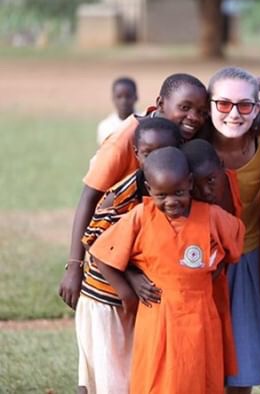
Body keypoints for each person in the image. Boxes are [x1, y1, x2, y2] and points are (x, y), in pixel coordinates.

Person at [91, 146, 245, 394]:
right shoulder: (141, 216)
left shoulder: (211, 216)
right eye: (162, 196)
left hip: (200, 316)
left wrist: (216, 263)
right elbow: (102, 253)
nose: (171, 202)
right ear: (150, 190)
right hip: (157, 316)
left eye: (179, 193)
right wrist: (129, 287)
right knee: (156, 380)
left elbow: (235, 239)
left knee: (198, 377)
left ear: (190, 184)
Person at [59, 73, 209, 312]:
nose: (194, 117)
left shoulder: (181, 133)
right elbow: (89, 197)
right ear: (160, 104)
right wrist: (74, 266)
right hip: (111, 251)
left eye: (202, 112)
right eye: (185, 107)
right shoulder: (124, 140)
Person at [77, 117, 182, 394]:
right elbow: (94, 242)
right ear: (136, 154)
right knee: (108, 377)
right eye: (148, 154)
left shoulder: (175, 188)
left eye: (163, 152)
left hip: (134, 301)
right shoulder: (123, 193)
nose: (155, 160)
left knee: (131, 374)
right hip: (106, 297)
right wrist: (129, 283)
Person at [207, 66, 260, 393]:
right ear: (209, 105)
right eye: (224, 104)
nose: (233, 114)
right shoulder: (194, 140)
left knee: (241, 364)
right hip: (203, 260)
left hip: (248, 256)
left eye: (245, 105)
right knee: (205, 358)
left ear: (258, 108)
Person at [181, 138, 243, 378]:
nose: (206, 191)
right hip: (194, 295)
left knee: (219, 356)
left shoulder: (230, 185)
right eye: (196, 187)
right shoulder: (189, 211)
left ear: (222, 167)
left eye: (210, 181)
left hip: (219, 286)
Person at [97, 77, 138, 145]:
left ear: (136, 97)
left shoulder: (144, 122)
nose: (123, 101)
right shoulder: (106, 126)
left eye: (128, 96)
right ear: (113, 98)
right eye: (119, 96)